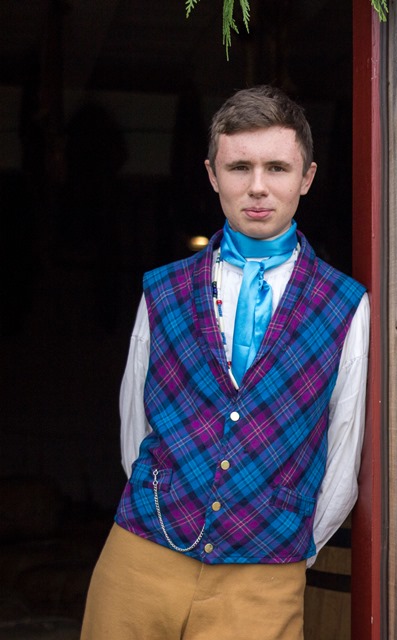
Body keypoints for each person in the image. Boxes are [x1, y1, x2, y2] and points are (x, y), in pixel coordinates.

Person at [81, 85, 369, 639]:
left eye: (277, 168)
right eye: (240, 167)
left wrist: (289, 547)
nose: (258, 187)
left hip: (263, 575)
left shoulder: (344, 305)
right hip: (143, 558)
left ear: (306, 177)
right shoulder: (163, 291)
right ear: (213, 174)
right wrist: (167, 503)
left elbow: (342, 450)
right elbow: (134, 428)